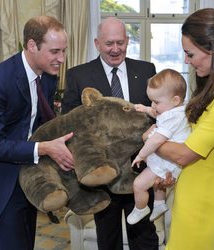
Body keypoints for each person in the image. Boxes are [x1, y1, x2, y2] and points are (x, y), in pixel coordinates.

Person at [62, 17, 159, 250]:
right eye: (109, 44)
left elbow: (158, 118)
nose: (115, 49)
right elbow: (69, 125)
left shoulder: (146, 70)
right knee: (108, 238)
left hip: (140, 171)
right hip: (102, 175)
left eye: (120, 42)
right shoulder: (78, 75)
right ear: (97, 43)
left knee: (145, 236)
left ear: (127, 41)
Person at [0, 16, 74, 250]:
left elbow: (39, 124)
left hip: (28, 183)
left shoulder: (48, 77)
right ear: (32, 46)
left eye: (63, 51)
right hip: (0, 189)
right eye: (55, 51)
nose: (61, 59)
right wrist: (43, 148)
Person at [154, 8, 214, 250]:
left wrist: (149, 137)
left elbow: (185, 153)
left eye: (190, 54)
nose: (186, 61)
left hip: (201, 202)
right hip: (188, 193)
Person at [126, 68, 190, 225]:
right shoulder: (176, 110)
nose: (153, 105)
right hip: (170, 161)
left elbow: (156, 141)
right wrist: (146, 109)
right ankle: (160, 204)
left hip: (167, 161)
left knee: (139, 184)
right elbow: (158, 114)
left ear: (175, 100)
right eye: (151, 101)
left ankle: (141, 209)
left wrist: (141, 155)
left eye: (156, 102)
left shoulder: (172, 117)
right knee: (157, 183)